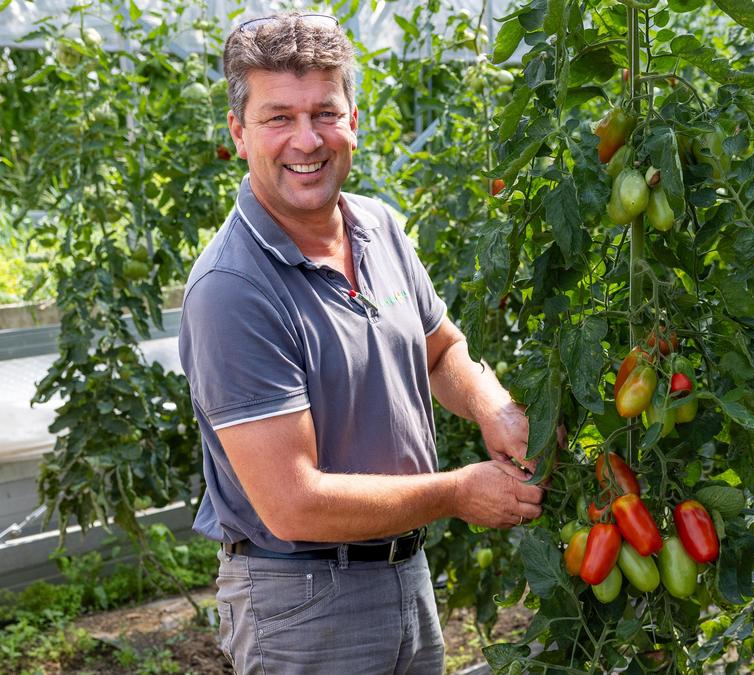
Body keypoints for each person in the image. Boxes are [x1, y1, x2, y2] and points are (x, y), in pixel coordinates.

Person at [177, 13, 543, 674]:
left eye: (325, 111)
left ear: (354, 120)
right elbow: (294, 502)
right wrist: (459, 491)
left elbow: (441, 351)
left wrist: (492, 405)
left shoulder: (377, 225)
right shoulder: (234, 287)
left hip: (404, 573)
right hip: (303, 603)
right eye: (278, 117)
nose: (306, 139)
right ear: (238, 133)